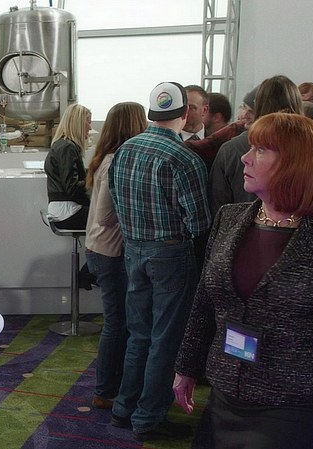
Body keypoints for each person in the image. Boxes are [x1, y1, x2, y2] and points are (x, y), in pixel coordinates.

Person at [174, 113, 313, 448]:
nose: (244, 157)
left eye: (260, 150)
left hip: (294, 403)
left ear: (296, 163)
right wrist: (186, 367)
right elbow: (205, 304)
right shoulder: (229, 218)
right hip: (226, 391)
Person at [108, 82, 212, 442]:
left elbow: (115, 201)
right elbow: (200, 223)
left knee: (138, 334)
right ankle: (149, 417)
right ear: (184, 113)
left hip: (133, 249)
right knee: (165, 339)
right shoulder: (185, 158)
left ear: (152, 112)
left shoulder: (125, 150)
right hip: (170, 254)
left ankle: (124, 407)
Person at [84, 102, 146, 411]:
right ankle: (106, 390)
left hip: (102, 248)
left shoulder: (106, 158)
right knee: (117, 323)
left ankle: (112, 386)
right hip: (110, 250)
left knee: (118, 322)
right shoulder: (115, 161)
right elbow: (106, 216)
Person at [210, 75, 303, 216]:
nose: (246, 158)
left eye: (250, 109)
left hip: (241, 226)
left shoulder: (231, 149)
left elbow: (217, 205)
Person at [44, 103, 92, 230]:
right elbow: (72, 188)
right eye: (88, 122)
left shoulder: (61, 145)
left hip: (62, 210)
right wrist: (92, 180)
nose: (90, 127)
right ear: (78, 123)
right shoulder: (67, 148)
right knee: (114, 218)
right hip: (68, 212)